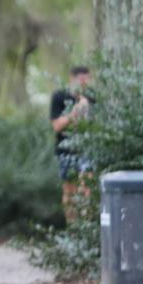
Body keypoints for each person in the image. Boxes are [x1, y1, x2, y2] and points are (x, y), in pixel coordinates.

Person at [49, 65, 94, 222]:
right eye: (80, 79)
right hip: (66, 150)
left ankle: (86, 226)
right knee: (70, 192)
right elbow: (57, 125)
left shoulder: (92, 98)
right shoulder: (60, 97)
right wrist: (74, 113)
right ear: (72, 78)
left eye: (86, 79)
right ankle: (73, 227)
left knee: (87, 187)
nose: (83, 83)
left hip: (87, 149)